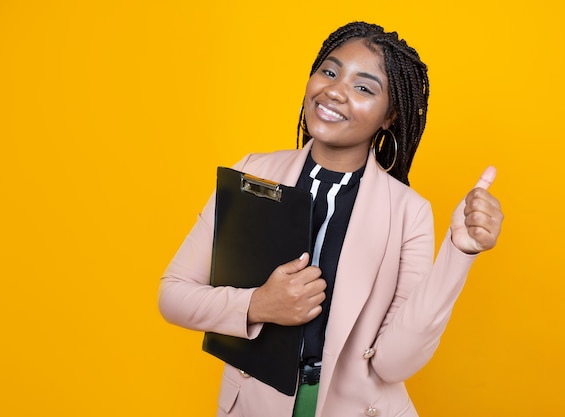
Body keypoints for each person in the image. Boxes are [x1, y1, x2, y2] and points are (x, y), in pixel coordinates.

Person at [159, 21, 503, 417]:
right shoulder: (252, 173)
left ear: (389, 116)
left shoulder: (410, 212)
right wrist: (258, 304)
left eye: (363, 87)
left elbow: (394, 364)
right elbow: (173, 295)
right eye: (329, 71)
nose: (335, 90)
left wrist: (459, 253)